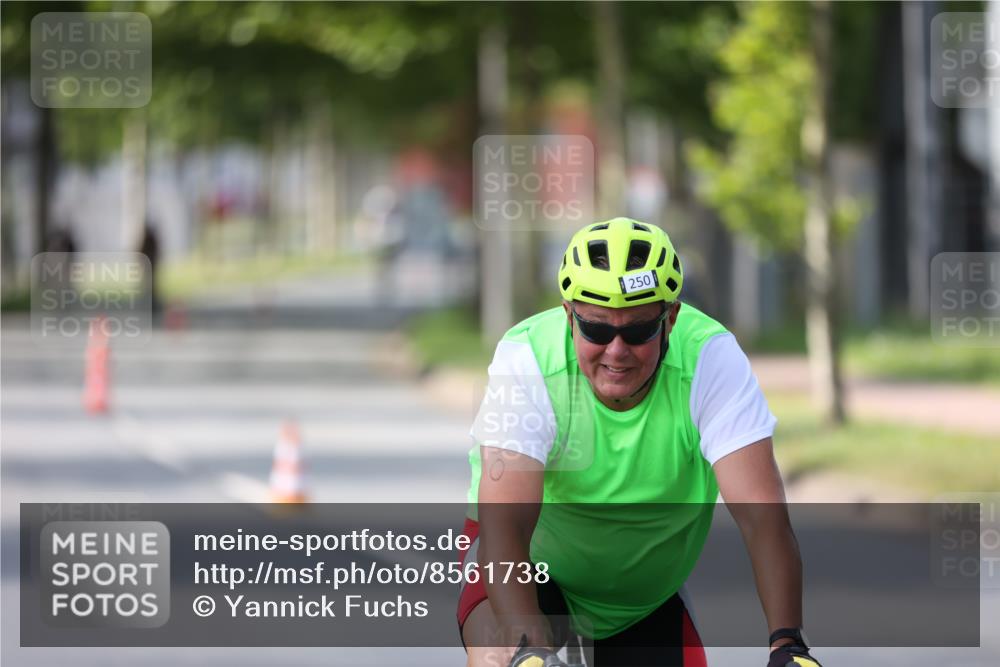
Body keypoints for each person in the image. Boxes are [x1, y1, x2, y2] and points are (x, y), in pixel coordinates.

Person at [456, 218, 822, 667]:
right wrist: (530, 651)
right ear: (569, 314)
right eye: (595, 329)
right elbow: (506, 527)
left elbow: (761, 518)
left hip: (641, 599)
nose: (616, 350)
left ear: (670, 317)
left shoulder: (710, 360)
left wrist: (787, 644)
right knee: (501, 657)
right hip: (528, 569)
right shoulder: (528, 359)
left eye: (637, 331)